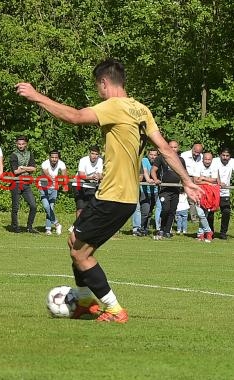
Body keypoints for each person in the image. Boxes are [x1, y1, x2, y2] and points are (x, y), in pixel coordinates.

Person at [16, 58, 202, 323]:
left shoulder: (113, 106)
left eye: (97, 87)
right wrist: (186, 180)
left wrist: (37, 97)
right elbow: (164, 148)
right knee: (74, 242)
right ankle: (83, 300)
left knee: (80, 253)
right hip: (124, 196)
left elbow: (75, 117)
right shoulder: (141, 110)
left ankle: (114, 309)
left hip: (112, 195)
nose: (98, 93)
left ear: (104, 83)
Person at [151, 140, 186, 240]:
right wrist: (155, 179)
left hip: (175, 189)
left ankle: (167, 231)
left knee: (172, 211)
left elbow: (184, 173)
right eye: (171, 147)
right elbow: (153, 170)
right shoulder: (161, 158)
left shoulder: (181, 160)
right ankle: (161, 228)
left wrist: (185, 185)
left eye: (175, 147)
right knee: (165, 209)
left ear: (178, 148)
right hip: (164, 189)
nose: (173, 149)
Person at [9, 135, 38, 233]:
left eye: (23, 144)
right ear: (16, 144)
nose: (21, 146)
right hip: (16, 183)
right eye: (19, 144)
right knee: (15, 207)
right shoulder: (13, 155)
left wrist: (23, 167)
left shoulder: (30, 154)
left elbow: (34, 169)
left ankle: (29, 227)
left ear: (26, 144)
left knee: (33, 206)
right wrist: (27, 168)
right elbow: (16, 171)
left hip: (26, 183)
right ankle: (15, 227)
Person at [39, 149, 66, 235]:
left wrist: (65, 185)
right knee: (46, 206)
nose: (54, 159)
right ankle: (57, 224)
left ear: (58, 158)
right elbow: (47, 174)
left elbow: (64, 174)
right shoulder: (45, 163)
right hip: (43, 186)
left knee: (50, 207)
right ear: (49, 157)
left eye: (56, 157)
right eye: (52, 157)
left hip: (54, 188)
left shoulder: (61, 163)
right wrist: (52, 179)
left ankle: (48, 229)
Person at [209, 147, 234, 239]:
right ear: (220, 155)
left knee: (226, 211)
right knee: (210, 212)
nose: (225, 157)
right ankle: (210, 232)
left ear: (230, 156)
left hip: (225, 191)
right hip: (213, 190)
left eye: (227, 156)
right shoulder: (215, 161)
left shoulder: (232, 162)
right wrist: (217, 181)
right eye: (223, 155)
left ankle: (223, 233)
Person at [135, 148, 161, 236]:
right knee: (145, 211)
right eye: (151, 154)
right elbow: (145, 171)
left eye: (155, 155)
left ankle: (145, 228)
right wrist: (148, 179)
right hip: (145, 190)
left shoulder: (159, 162)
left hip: (155, 191)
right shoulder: (144, 160)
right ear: (148, 154)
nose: (153, 157)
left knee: (150, 211)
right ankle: (140, 228)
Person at [73, 146, 103, 220]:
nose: (94, 156)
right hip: (79, 185)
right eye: (92, 154)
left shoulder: (100, 161)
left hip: (91, 186)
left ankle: (85, 227)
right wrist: (92, 177)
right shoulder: (83, 160)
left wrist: (98, 176)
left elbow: (100, 174)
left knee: (90, 209)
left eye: (96, 154)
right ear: (89, 153)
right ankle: (77, 227)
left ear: (98, 154)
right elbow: (81, 175)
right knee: (80, 208)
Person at [193, 152, 217, 242]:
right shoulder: (198, 166)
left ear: (212, 159)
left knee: (205, 214)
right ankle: (209, 231)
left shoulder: (214, 167)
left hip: (209, 193)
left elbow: (215, 180)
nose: (207, 161)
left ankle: (200, 234)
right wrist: (207, 182)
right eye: (206, 159)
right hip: (198, 192)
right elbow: (195, 181)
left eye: (209, 159)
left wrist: (203, 178)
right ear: (203, 159)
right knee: (200, 213)